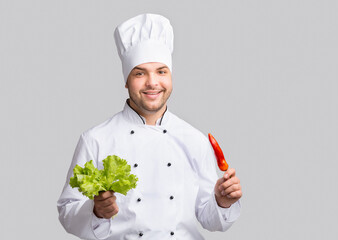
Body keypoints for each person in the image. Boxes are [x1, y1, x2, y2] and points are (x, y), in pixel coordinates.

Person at [57, 13, 242, 240]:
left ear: (171, 76)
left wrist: (221, 202)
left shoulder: (194, 139)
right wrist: (95, 211)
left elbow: (208, 217)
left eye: (161, 72)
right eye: (139, 73)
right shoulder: (96, 139)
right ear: (126, 80)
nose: (152, 82)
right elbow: (68, 210)